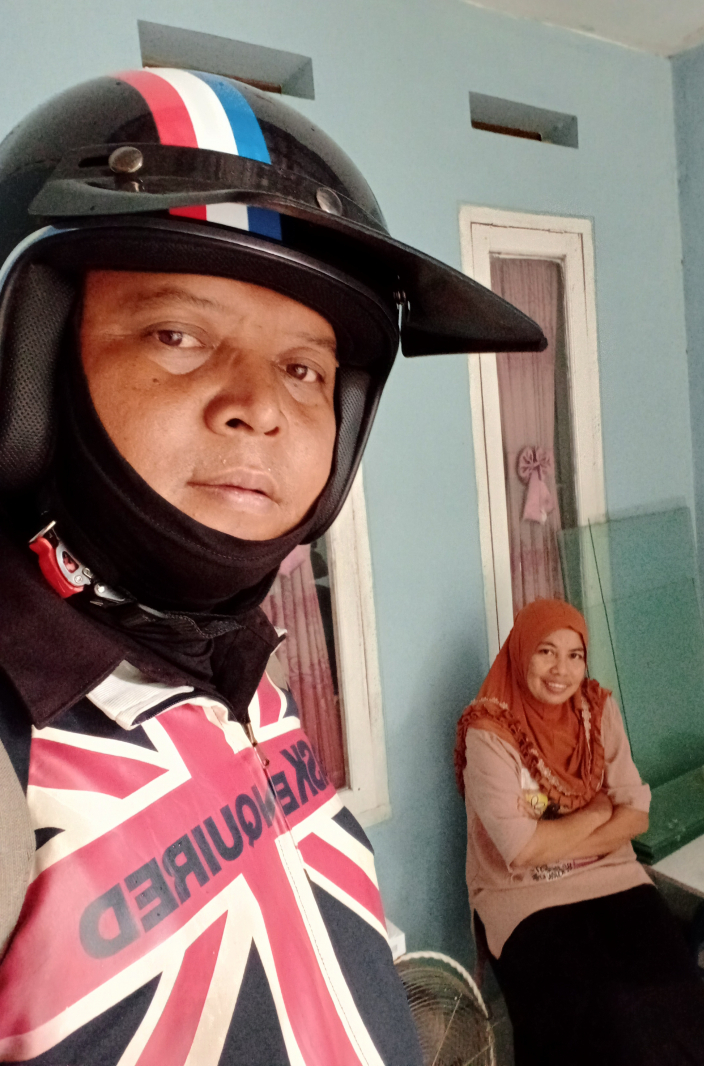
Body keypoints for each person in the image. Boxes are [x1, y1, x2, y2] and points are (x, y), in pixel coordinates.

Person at [0, 68, 547, 1064]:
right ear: (29, 366)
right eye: (176, 334)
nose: (257, 405)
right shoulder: (18, 756)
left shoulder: (243, 675)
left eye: (303, 368)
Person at [454, 598, 704, 1066]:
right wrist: (596, 812)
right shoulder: (489, 734)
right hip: (524, 895)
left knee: (693, 1016)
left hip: (613, 878)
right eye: (546, 652)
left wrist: (557, 839)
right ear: (521, 653)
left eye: (574, 655)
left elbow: (636, 816)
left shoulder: (596, 711)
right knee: (607, 1024)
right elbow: (522, 853)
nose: (561, 670)